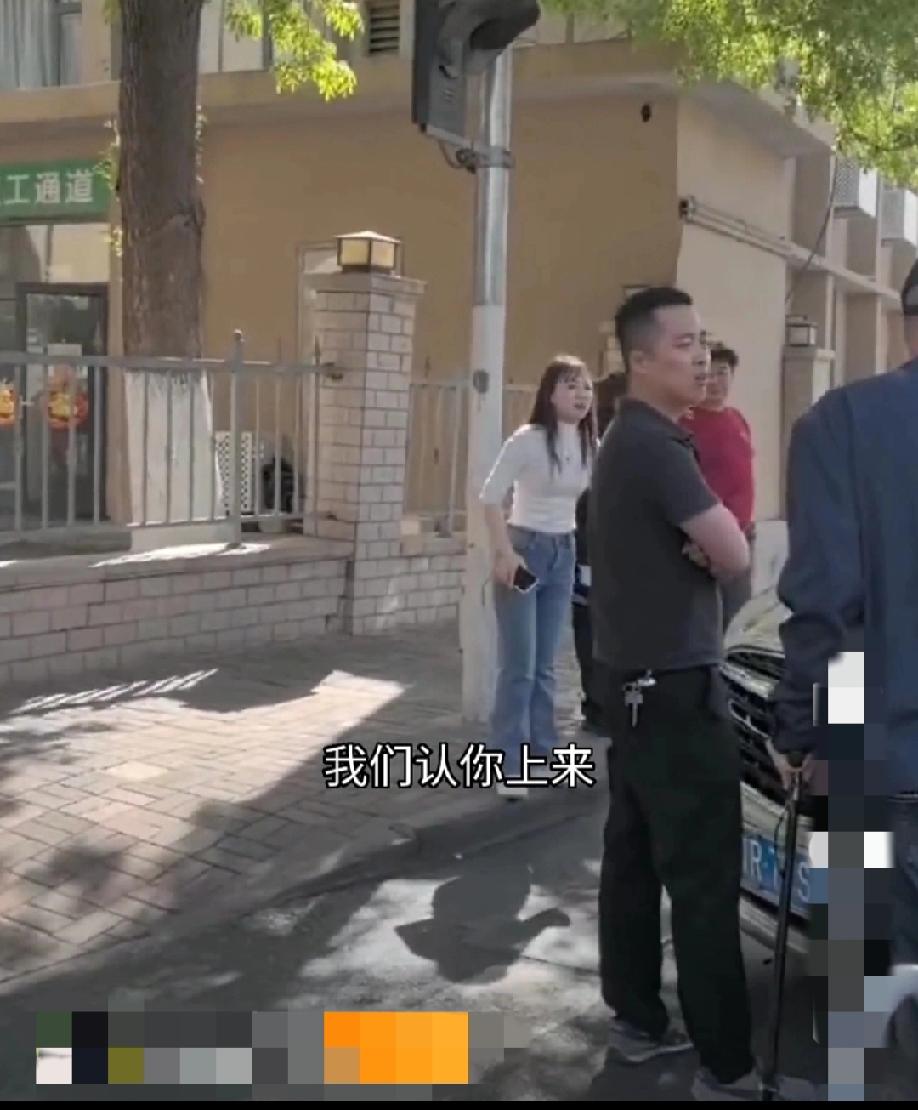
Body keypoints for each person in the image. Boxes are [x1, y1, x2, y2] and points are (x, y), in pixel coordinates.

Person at [589, 286, 813, 1101]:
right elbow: (734, 552)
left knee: (634, 860)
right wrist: (714, 542)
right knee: (702, 880)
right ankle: (727, 1068)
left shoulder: (630, 439)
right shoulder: (655, 445)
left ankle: (637, 1021)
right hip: (676, 692)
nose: (701, 357)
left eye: (703, 341)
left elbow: (715, 547)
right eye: (684, 344)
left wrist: (708, 544)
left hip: (633, 685)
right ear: (641, 359)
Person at [770, 259, 918, 1096]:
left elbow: (826, 604)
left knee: (859, 1027)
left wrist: (799, 728)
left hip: (867, 755)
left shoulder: (842, 424)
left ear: (904, 320)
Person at [480, 355, 595, 799]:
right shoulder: (527, 440)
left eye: (586, 387)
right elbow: (489, 497)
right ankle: (508, 761)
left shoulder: (590, 443)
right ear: (550, 393)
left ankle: (543, 749)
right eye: (571, 385)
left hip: (563, 553)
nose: (581, 395)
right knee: (521, 665)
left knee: (547, 663)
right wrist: (504, 552)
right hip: (524, 555)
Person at [680, 345, 756, 631]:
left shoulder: (737, 419)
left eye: (722, 372)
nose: (715, 381)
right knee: (704, 626)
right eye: (708, 373)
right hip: (705, 540)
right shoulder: (685, 423)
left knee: (736, 623)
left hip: (742, 534)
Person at [572, 373, 627, 731]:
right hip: (589, 552)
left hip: (618, 557)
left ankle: (608, 705)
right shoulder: (587, 447)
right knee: (590, 628)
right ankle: (598, 705)